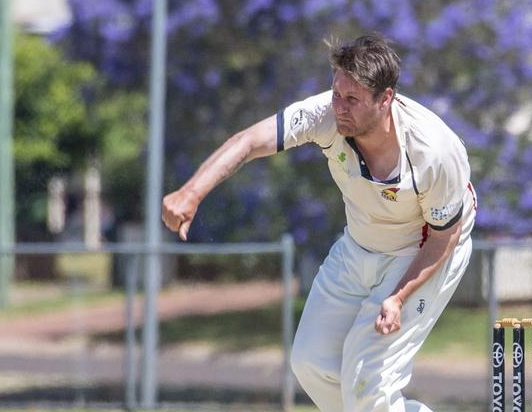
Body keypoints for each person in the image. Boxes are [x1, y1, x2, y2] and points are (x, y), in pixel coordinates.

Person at [162, 33, 475, 412]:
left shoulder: (435, 152)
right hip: (359, 244)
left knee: (368, 382)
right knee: (311, 364)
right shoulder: (324, 114)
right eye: (336, 94)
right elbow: (248, 141)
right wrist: (192, 192)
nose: (339, 108)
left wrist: (398, 297)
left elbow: (444, 238)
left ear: (386, 99)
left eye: (352, 100)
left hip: (421, 252)